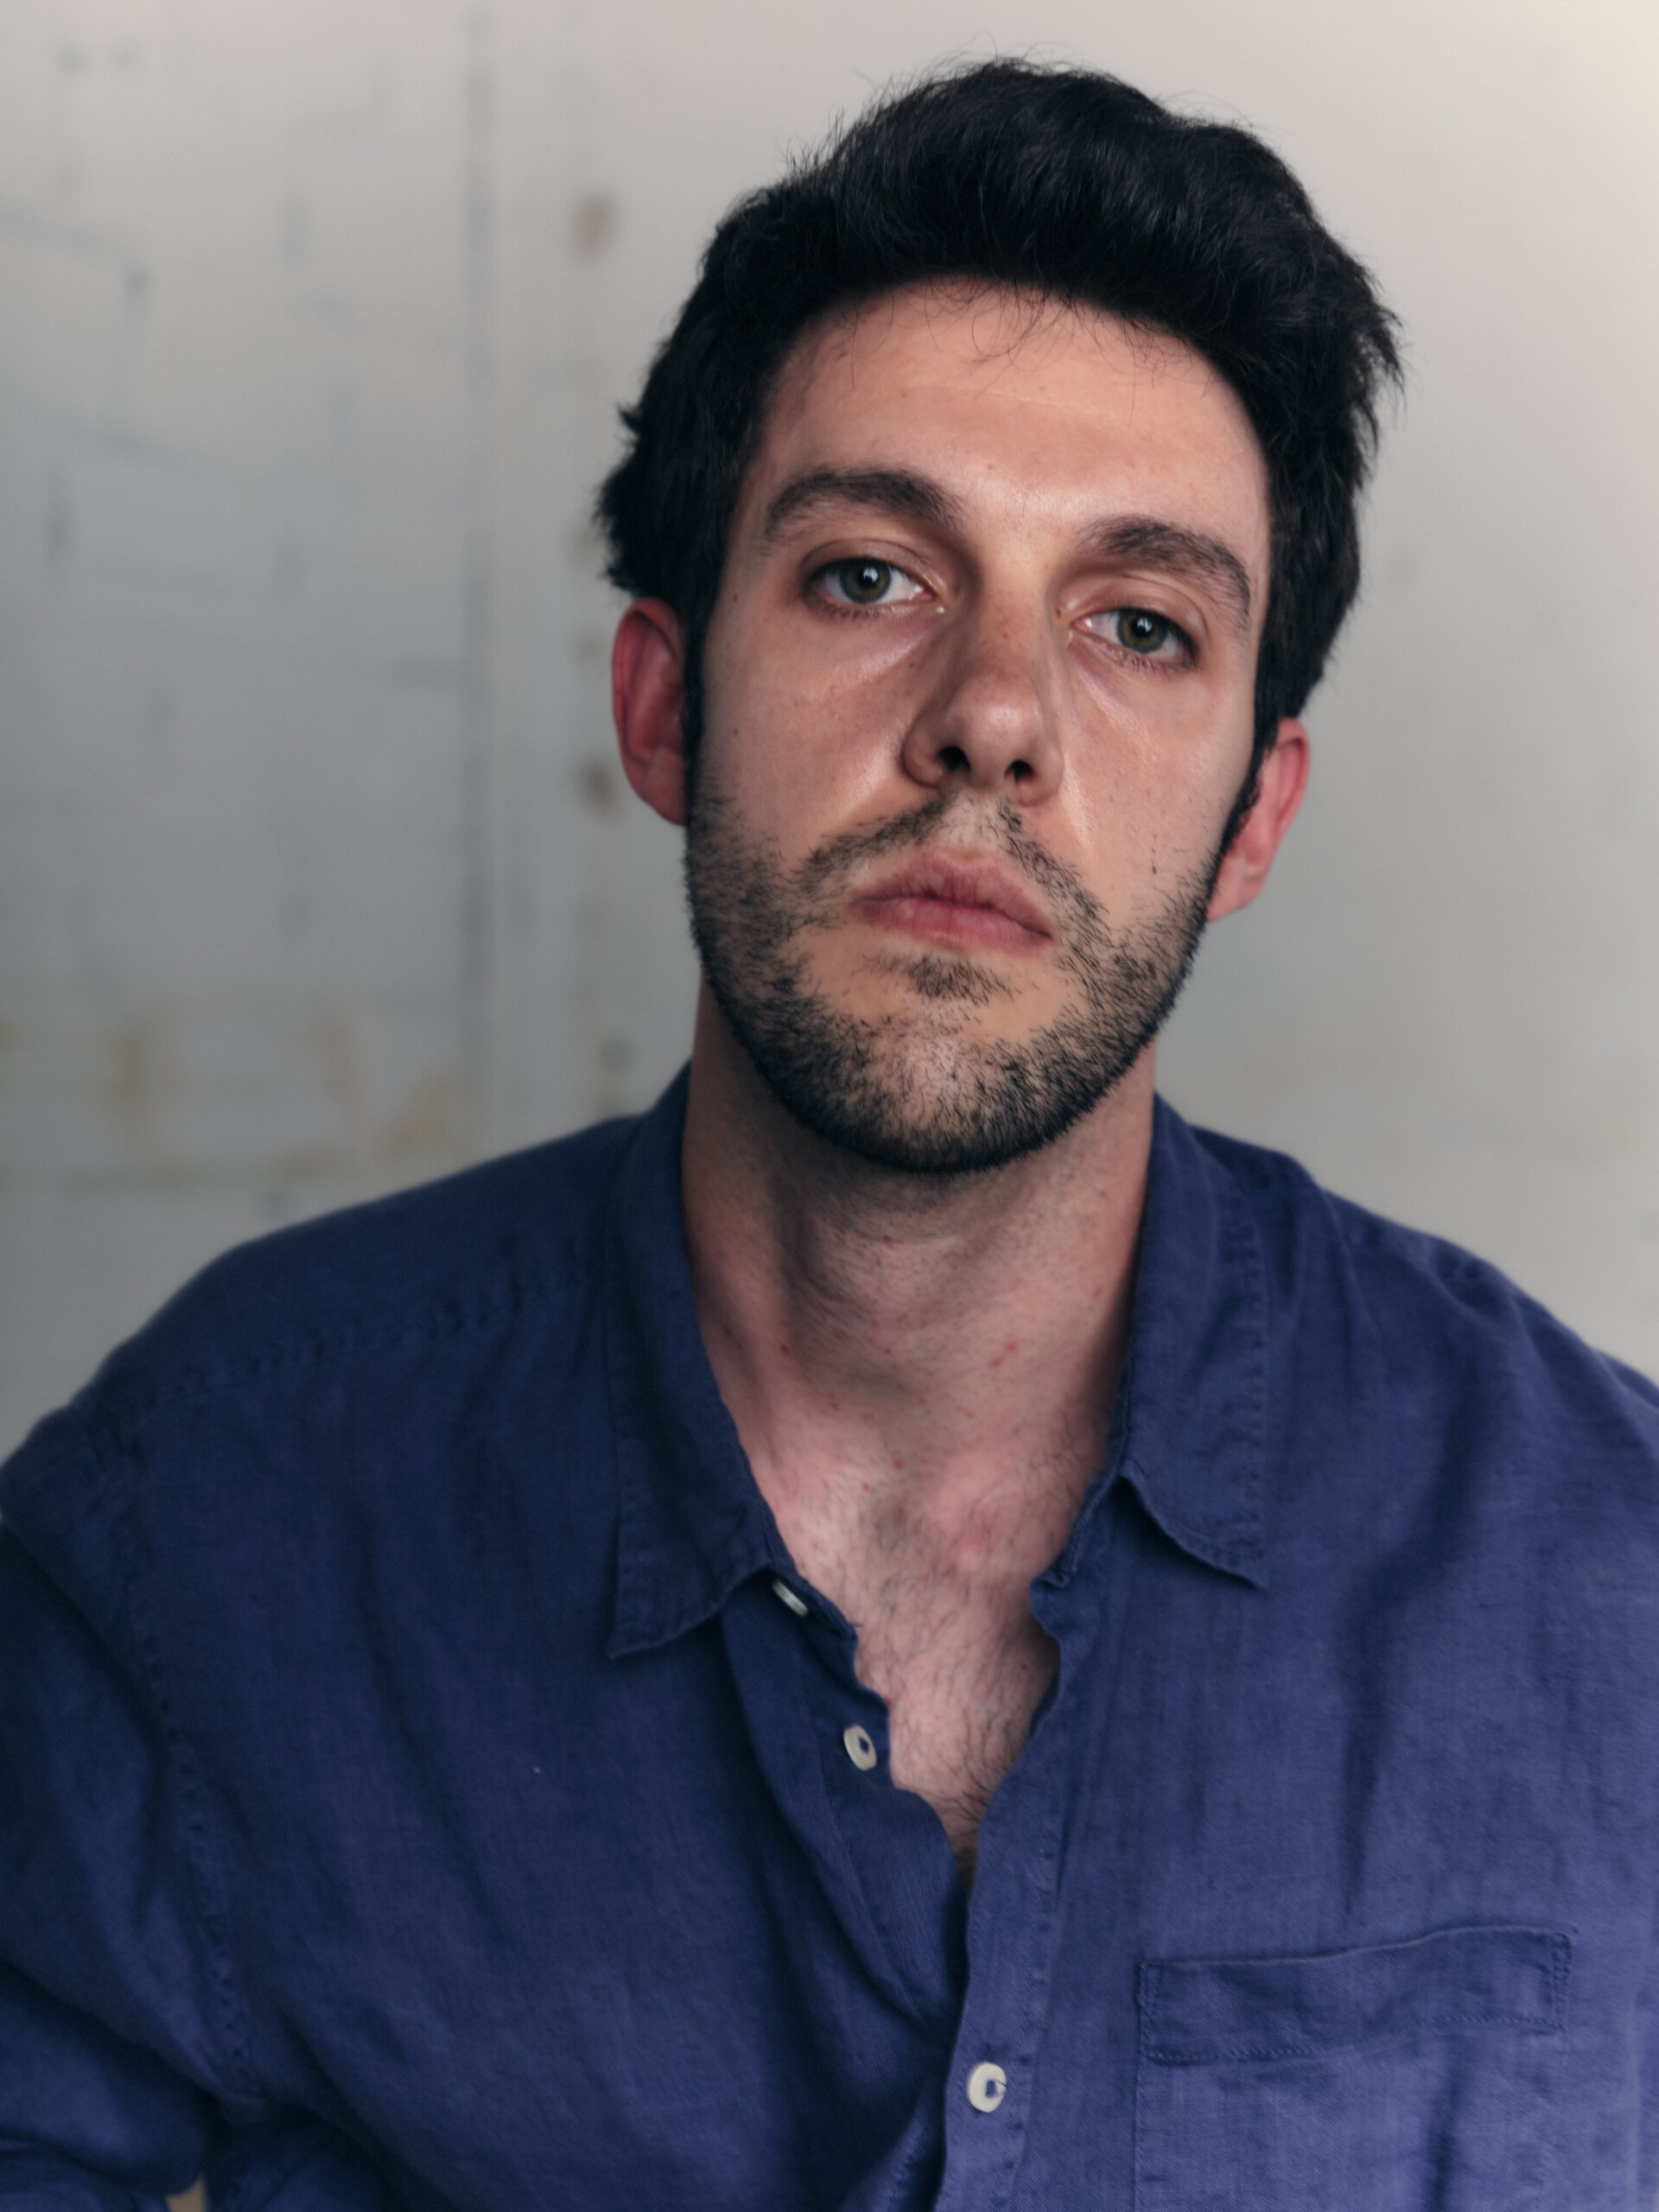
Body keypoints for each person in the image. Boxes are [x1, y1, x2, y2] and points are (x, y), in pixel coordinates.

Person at [3, 56, 1657, 2212]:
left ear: (1254, 815)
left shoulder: (1607, 1571)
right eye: (873, 575)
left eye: (1141, 625)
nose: (995, 717)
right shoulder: (210, 1517)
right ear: (662, 704)